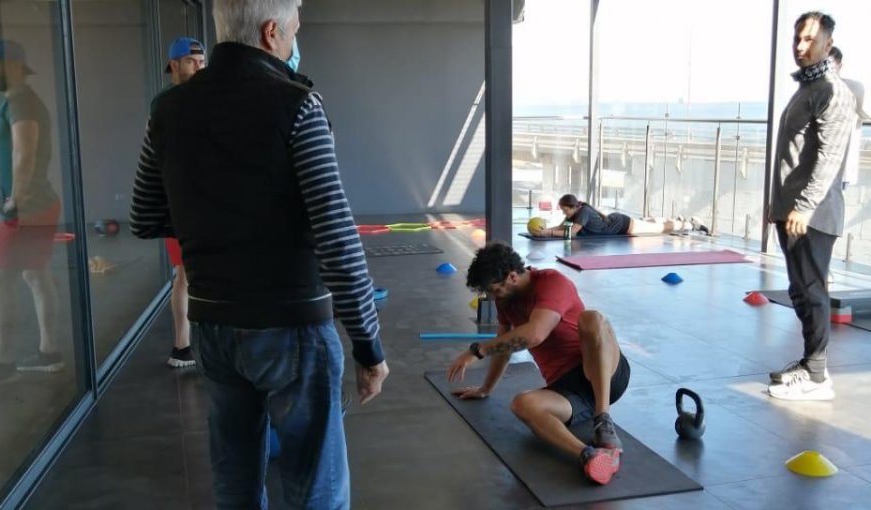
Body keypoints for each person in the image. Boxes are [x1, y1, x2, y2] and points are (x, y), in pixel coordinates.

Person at [129, 0, 389, 508]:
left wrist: (216, 223)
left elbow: (144, 218)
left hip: (213, 328)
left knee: (235, 480)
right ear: (272, 33)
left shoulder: (166, 110)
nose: (294, 40)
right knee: (314, 484)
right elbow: (335, 235)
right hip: (292, 326)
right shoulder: (297, 103)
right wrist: (369, 347)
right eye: (293, 30)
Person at [447, 242, 630, 485]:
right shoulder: (505, 301)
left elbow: (535, 334)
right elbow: (504, 345)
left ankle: (604, 420)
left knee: (592, 319)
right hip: (569, 392)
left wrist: (477, 351)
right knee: (522, 404)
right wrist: (485, 389)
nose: (492, 297)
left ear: (512, 277)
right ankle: (589, 456)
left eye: (494, 290)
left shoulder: (553, 283)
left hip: (605, 372)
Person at [767, 12, 855, 401]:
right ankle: (808, 363)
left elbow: (828, 158)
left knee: (812, 289)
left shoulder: (831, 92)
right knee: (800, 290)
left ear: (827, 43)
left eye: (809, 40)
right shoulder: (808, 87)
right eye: (797, 39)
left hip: (811, 215)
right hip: (791, 211)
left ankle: (818, 376)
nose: (800, 47)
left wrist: (802, 207)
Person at [0, 40, 63, 389]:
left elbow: (25, 155)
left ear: (12, 65)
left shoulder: (23, 103)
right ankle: (50, 352)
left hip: (28, 208)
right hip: (34, 206)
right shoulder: (17, 102)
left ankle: (4, 361)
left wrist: (15, 202)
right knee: (36, 277)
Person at [152, 37, 206, 368]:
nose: (199, 67)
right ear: (173, 65)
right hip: (181, 203)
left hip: (207, 201)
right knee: (185, 274)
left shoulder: (208, 98)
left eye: (202, 62)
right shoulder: (165, 105)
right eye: (191, 61)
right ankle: (181, 347)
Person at [533, 194, 707, 238]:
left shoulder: (583, 212)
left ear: (572, 207)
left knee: (660, 229)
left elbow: (571, 233)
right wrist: (545, 230)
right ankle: (678, 220)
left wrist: (547, 233)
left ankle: (691, 225)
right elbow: (562, 227)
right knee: (649, 223)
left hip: (623, 225)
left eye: (565, 210)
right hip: (617, 220)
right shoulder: (574, 213)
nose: (564, 213)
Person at [829, 46, 868, 189]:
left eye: (829, 64)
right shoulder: (813, 91)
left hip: (841, 165)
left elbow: (865, 112)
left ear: (839, 65)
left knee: (835, 207)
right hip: (816, 165)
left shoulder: (852, 87)